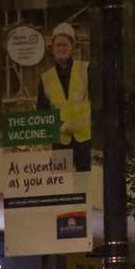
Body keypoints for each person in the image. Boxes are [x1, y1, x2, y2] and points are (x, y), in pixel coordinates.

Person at [36, 23, 91, 172]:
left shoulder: (86, 70)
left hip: (84, 140)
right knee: (62, 186)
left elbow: (96, 104)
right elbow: (42, 113)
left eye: (65, 44)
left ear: (72, 47)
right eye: (58, 45)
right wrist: (59, 126)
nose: (61, 48)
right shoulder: (45, 79)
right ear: (52, 49)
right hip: (60, 141)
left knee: (84, 185)